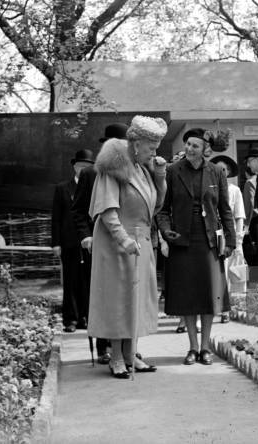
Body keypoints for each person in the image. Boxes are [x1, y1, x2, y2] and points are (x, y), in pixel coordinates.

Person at [87, 116, 168, 379]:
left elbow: (155, 207)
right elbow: (107, 210)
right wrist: (123, 239)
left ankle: (132, 353)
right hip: (116, 243)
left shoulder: (143, 170)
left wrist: (160, 175)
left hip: (141, 240)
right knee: (119, 299)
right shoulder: (114, 167)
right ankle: (117, 357)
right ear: (135, 143)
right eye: (150, 146)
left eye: (156, 147)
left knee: (137, 300)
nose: (154, 152)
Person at [157, 128, 235, 366]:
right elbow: (162, 208)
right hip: (181, 239)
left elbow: (224, 209)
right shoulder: (172, 172)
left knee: (209, 295)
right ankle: (192, 347)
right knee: (187, 295)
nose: (190, 149)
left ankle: (206, 347)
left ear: (205, 150)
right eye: (188, 144)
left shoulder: (216, 172)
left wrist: (230, 241)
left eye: (195, 146)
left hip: (208, 240)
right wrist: (165, 229)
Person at [72, 123, 129, 364]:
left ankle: (127, 348)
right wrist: (86, 235)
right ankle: (103, 346)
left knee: (126, 296)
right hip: (99, 241)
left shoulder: (132, 171)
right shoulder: (90, 173)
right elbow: (78, 210)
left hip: (125, 241)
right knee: (103, 295)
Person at [51, 149, 94, 333]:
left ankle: (86, 317)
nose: (82, 170)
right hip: (68, 242)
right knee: (70, 281)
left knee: (87, 281)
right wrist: (56, 243)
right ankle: (70, 319)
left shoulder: (95, 188)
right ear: (74, 167)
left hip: (89, 242)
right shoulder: (62, 188)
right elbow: (56, 217)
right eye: (80, 166)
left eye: (86, 167)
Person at [210, 155, 245, 323]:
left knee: (229, 272)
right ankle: (214, 306)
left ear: (228, 172)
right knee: (215, 272)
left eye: (223, 169)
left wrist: (238, 239)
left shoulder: (234, 190)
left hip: (228, 235)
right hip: (212, 234)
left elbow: (239, 215)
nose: (220, 172)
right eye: (217, 169)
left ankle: (227, 309)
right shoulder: (208, 187)